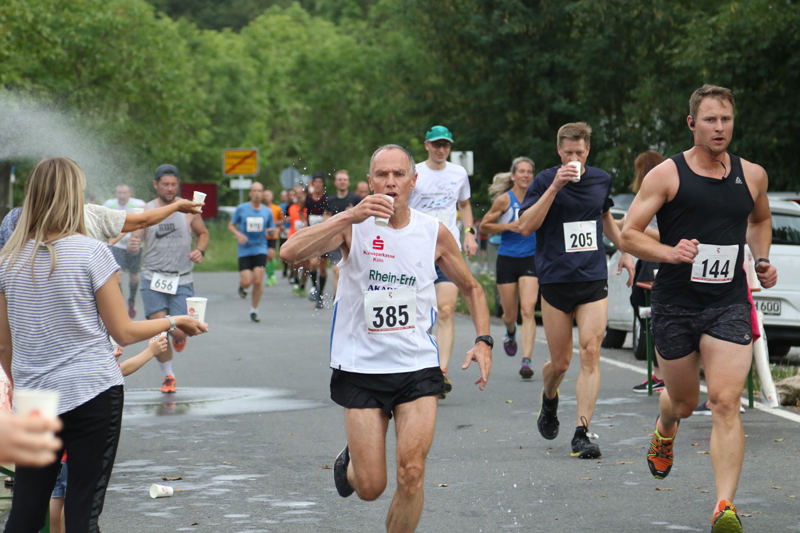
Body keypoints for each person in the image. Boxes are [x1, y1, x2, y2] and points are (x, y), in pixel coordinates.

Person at [280, 144, 492, 533]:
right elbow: (290, 251)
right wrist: (350, 214)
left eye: (399, 174)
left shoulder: (432, 232)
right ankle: (353, 463)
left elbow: (472, 288)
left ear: (414, 181)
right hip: (360, 367)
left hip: (417, 365)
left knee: (412, 473)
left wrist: (483, 340)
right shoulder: (351, 225)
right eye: (382, 175)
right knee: (370, 488)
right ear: (370, 181)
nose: (391, 182)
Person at [0, 157, 206, 532]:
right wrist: (176, 321)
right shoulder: (91, 252)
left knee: (26, 511)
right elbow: (123, 331)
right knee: (82, 512)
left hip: (35, 398)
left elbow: (4, 344)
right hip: (91, 392)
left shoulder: (7, 260)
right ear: (73, 197)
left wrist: (20, 385)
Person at [620, 84, 777, 532]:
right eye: (710, 119)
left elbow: (760, 219)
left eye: (726, 119)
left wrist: (761, 259)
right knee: (685, 403)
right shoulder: (666, 175)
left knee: (725, 401)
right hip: (676, 304)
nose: (719, 127)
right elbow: (629, 233)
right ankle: (665, 426)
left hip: (728, 303)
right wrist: (670, 253)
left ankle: (724, 505)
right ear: (692, 123)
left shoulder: (752, 175)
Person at [518, 122, 634, 459]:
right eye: (568, 152)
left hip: (592, 278)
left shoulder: (600, 179)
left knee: (591, 352)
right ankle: (549, 399)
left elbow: (605, 218)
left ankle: (582, 432)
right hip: (555, 280)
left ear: (587, 151)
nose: (574, 158)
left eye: (579, 153)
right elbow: (525, 226)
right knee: (560, 363)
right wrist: (555, 187)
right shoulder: (544, 181)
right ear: (559, 151)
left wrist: (625, 250)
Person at [49, 334, 169, 533]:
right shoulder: (86, 371)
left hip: (55, 447)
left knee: (56, 497)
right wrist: (151, 351)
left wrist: (107, 361)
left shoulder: (59, 368)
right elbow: (124, 369)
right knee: (73, 502)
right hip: (75, 451)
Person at [408, 125, 478, 399]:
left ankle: (440, 371)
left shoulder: (458, 173)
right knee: (421, 314)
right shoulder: (414, 173)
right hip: (418, 251)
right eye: (436, 144)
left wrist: (470, 233)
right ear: (427, 145)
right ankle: (422, 366)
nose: (441, 149)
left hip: (448, 251)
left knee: (446, 310)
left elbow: (464, 205)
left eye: (446, 145)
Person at [130, 164, 209, 394]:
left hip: (181, 278)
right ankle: (168, 376)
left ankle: (179, 336)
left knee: (180, 330)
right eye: (165, 184)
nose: (170, 188)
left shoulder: (188, 209)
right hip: (152, 278)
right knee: (159, 329)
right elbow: (135, 239)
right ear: (156, 185)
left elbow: (203, 233)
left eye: (173, 184)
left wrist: (200, 250)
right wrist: (134, 245)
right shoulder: (146, 210)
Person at [480, 158, 539, 379]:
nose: (526, 175)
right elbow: (484, 225)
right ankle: (510, 331)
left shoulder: (537, 199)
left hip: (531, 258)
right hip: (507, 259)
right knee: (509, 314)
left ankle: (527, 360)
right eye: (521, 171)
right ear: (513, 175)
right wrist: (508, 226)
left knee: (528, 309)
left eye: (529, 172)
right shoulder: (505, 200)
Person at [228, 182, 276, 322]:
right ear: (250, 193)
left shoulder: (267, 211)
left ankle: (254, 310)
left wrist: (272, 232)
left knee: (257, 281)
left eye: (259, 191)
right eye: (254, 191)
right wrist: (238, 234)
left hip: (260, 248)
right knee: (247, 282)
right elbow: (231, 225)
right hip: (245, 249)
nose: (256, 194)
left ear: (262, 194)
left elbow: (272, 230)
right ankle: (242, 286)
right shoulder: (241, 209)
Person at [104, 184, 147, 318]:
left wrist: (138, 238)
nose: (122, 196)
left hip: (134, 244)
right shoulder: (109, 204)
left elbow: (145, 222)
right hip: (117, 246)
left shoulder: (139, 204)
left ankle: (131, 301)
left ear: (130, 193)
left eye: (124, 193)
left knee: (133, 276)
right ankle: (121, 304)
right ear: (115, 194)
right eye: (119, 193)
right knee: (118, 274)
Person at [324, 170, 362, 297]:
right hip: (335, 239)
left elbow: (364, 218)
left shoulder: (356, 199)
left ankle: (351, 298)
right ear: (335, 182)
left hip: (352, 239)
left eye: (345, 180)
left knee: (353, 273)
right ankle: (337, 300)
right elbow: (325, 220)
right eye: (340, 179)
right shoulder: (329, 200)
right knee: (337, 271)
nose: (342, 182)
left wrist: (353, 213)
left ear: (348, 182)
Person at [302, 172, 330, 309]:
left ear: (322, 184)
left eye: (320, 182)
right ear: (312, 184)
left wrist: (324, 223)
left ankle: (320, 294)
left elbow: (328, 214)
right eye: (316, 182)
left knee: (323, 268)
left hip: (323, 236)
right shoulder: (308, 199)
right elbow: (303, 212)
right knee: (313, 264)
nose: (318, 185)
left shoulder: (326, 198)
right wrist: (304, 223)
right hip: (312, 236)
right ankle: (314, 286)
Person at [263, 189, 284, 287]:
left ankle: (272, 274)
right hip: (262, 236)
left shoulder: (277, 208)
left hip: (272, 235)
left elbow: (282, 220)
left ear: (272, 197)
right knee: (266, 257)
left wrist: (274, 224)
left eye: (268, 195)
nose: (266, 197)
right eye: (265, 195)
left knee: (270, 255)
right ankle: (270, 276)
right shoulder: (261, 208)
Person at [288, 185, 306, 295]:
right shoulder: (292, 207)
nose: (299, 196)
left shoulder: (307, 207)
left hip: (305, 238)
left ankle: (303, 285)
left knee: (306, 264)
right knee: (295, 262)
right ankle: (295, 279)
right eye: (297, 193)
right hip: (293, 237)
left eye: (301, 193)